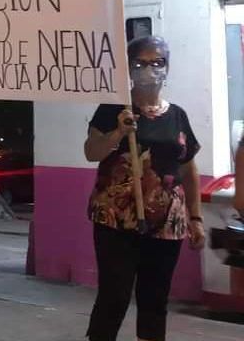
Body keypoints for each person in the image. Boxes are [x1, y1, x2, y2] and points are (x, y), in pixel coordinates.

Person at [84, 35, 205, 341]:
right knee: (115, 296)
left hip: (167, 224)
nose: (150, 69)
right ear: (129, 67)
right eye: (140, 63)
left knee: (155, 299)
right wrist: (118, 132)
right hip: (117, 220)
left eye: (158, 62)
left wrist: (195, 217)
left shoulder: (177, 115)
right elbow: (91, 152)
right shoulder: (114, 108)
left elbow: (188, 167)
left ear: (167, 67)